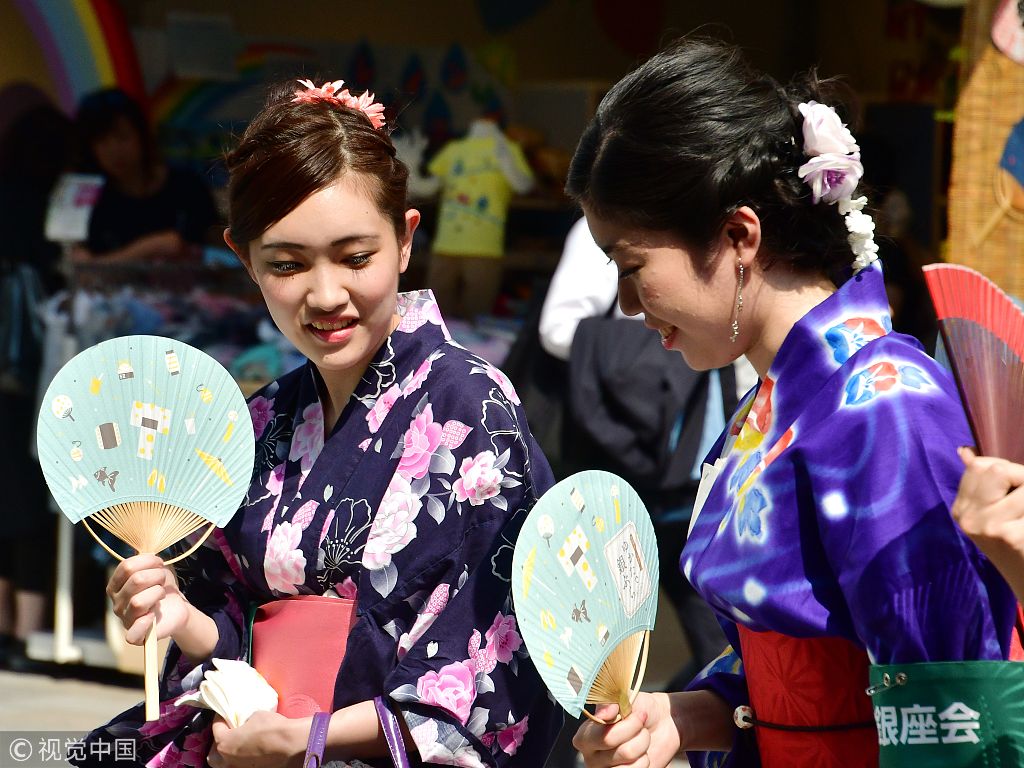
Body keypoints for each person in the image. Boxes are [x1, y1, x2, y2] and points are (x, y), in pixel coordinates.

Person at [73, 78, 561, 767]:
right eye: (287, 264)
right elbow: (238, 636)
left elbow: (487, 676)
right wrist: (180, 616)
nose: (326, 294)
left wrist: (306, 738)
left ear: (405, 240)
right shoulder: (263, 419)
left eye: (356, 258)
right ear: (244, 260)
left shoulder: (471, 408)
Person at [567, 38, 1019, 768]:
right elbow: (792, 670)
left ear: (739, 235)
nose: (626, 304)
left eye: (632, 266)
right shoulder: (775, 404)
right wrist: (685, 715)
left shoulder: (887, 408)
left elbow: (948, 703)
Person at [0, 102, 74, 670]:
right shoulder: (51, 203)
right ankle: (26, 633)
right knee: (27, 499)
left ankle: (6, 628)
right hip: (28, 375)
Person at [73, 88, 219, 263]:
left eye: (122, 137)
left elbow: (217, 249)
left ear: (142, 136)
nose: (114, 150)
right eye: (102, 141)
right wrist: (151, 247)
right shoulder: (86, 199)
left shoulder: (187, 185)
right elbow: (80, 265)